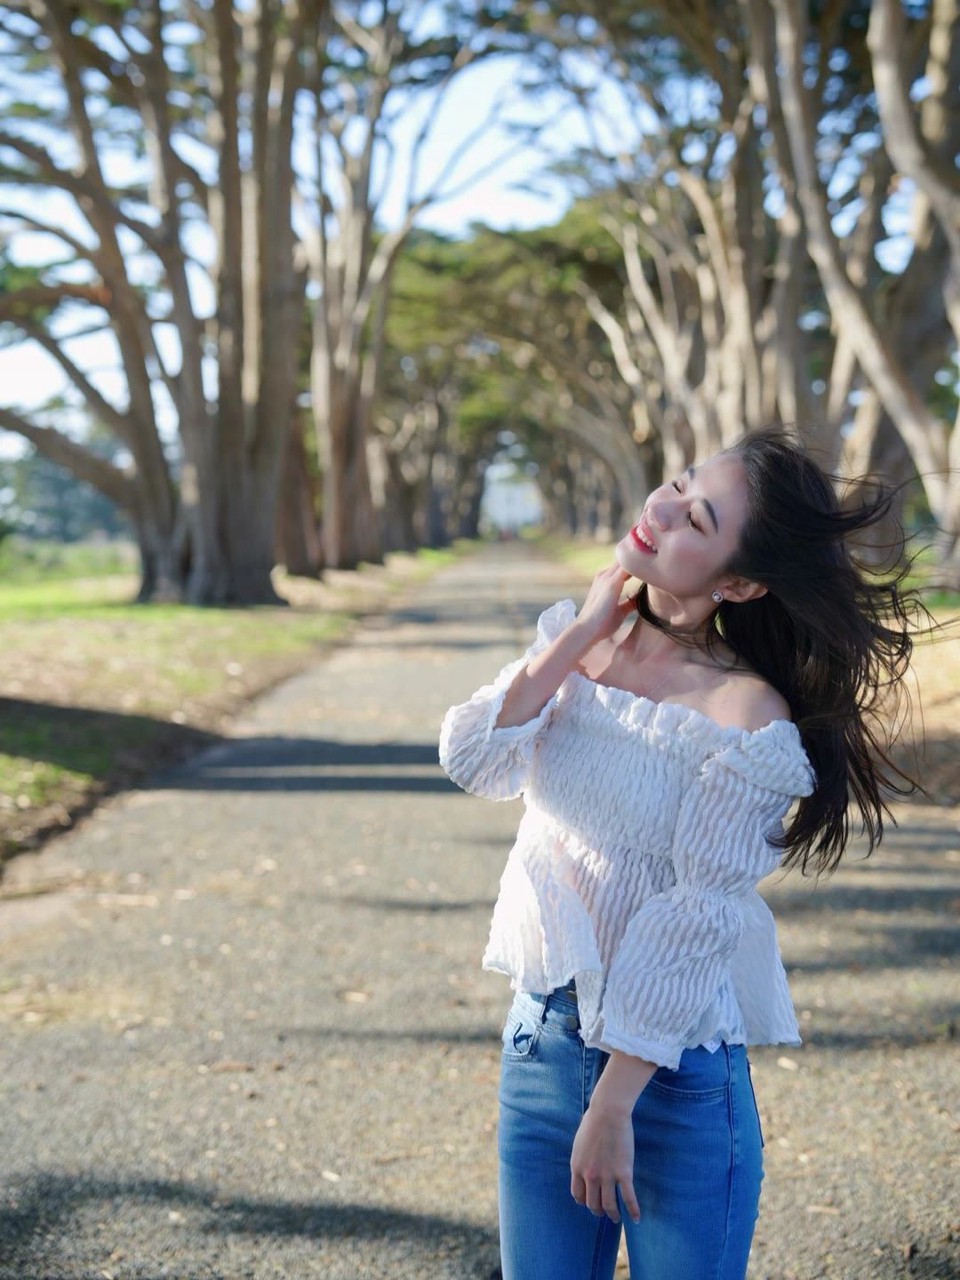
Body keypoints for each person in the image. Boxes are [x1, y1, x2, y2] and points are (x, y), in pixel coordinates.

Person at [438, 429, 919, 1280]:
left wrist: (614, 1104)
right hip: (543, 1046)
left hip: (673, 1080)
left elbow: (698, 918)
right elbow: (475, 759)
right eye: (678, 483)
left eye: (697, 518)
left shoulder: (746, 717)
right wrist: (578, 635)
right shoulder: (578, 645)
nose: (662, 508)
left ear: (739, 582)